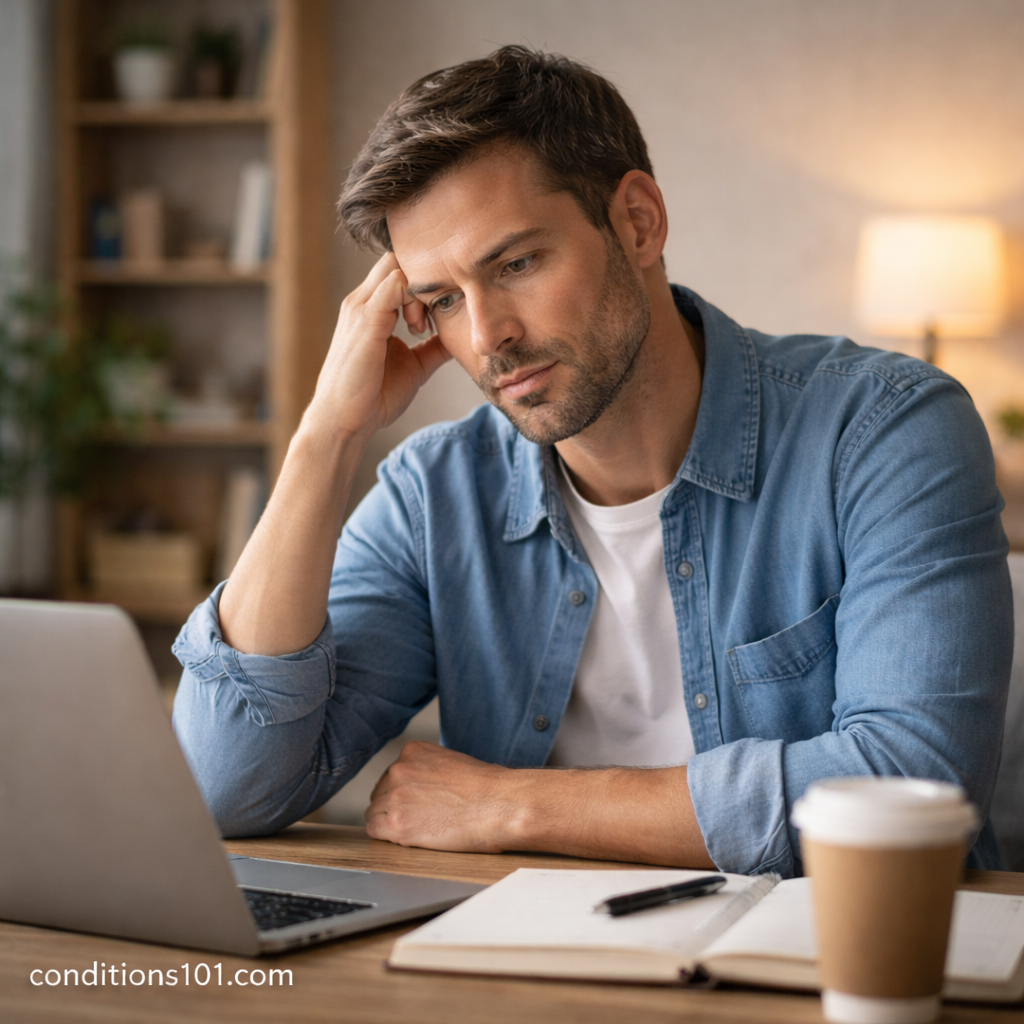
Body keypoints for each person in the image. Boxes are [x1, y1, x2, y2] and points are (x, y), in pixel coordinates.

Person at [172, 46, 1012, 877]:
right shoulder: (435, 494)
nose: (487, 334)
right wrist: (327, 436)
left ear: (638, 221)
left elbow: (914, 782)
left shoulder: (884, 429)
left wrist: (513, 805)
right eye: (442, 301)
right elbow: (226, 787)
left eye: (517, 264)